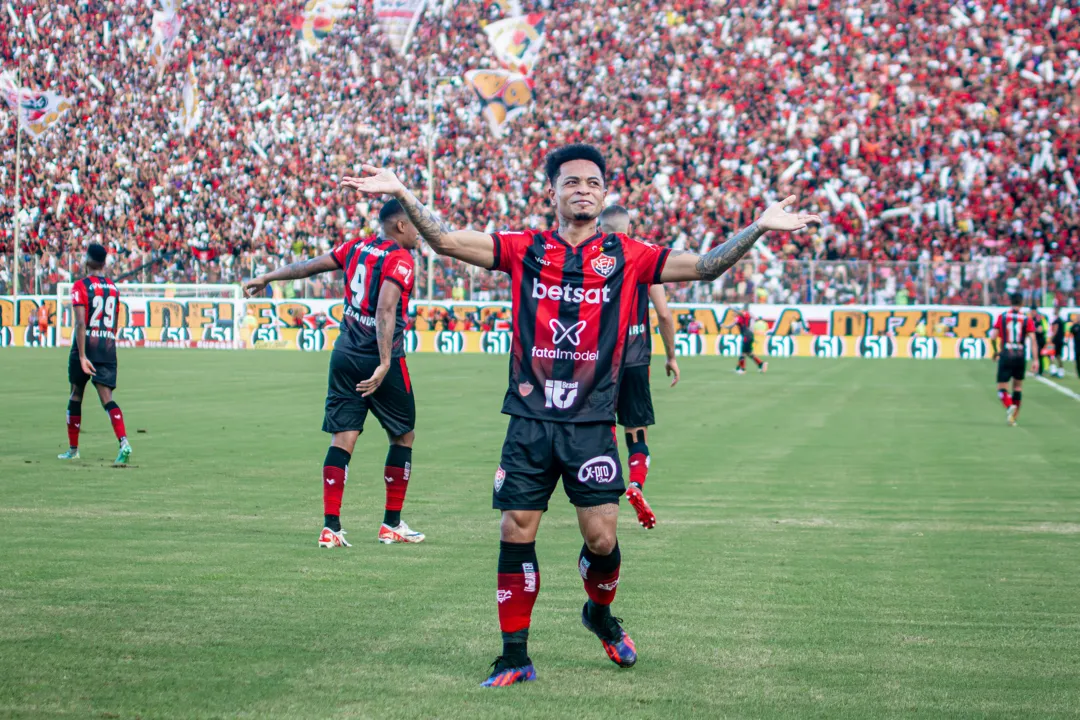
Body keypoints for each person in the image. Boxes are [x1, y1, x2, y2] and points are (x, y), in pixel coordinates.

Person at [340, 143, 821, 687]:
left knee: (602, 540)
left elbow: (706, 267)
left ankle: (598, 612)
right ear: (553, 192)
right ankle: (514, 657)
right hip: (529, 418)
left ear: (605, 192)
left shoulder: (629, 254)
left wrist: (758, 225)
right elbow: (448, 241)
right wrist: (403, 191)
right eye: (571, 182)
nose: (583, 190)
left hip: (592, 422)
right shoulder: (525, 248)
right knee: (516, 528)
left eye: (592, 182)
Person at [244, 200, 426, 547]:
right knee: (403, 436)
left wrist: (268, 276)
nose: (420, 232)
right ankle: (391, 523)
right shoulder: (400, 258)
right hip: (379, 358)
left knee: (342, 438)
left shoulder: (355, 246)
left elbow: (309, 267)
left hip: (344, 353)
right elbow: (387, 308)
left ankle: (331, 527)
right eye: (415, 224)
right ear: (401, 226)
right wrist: (385, 362)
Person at [597, 204, 679, 531]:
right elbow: (664, 315)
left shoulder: (586, 258)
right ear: (628, 229)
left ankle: (604, 484)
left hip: (598, 360)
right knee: (636, 430)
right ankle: (636, 484)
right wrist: (671, 356)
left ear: (600, 230)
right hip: (636, 358)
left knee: (601, 426)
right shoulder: (645, 257)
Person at [58, 243, 132, 465]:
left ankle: (73, 449)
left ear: (88, 260)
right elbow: (116, 323)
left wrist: (82, 356)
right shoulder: (113, 288)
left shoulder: (81, 286)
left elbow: (80, 323)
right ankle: (124, 442)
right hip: (107, 346)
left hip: (85, 345)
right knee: (107, 399)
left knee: (76, 394)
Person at [990, 293, 1039, 426]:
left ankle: (1009, 405)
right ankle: (1013, 417)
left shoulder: (1003, 317)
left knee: (1002, 387)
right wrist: (1035, 360)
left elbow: (993, 336)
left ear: (1010, 302)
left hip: (1006, 354)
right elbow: (1033, 340)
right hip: (1020, 355)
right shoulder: (1027, 319)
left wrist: (996, 351)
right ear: (1022, 303)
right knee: (1017, 387)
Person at [723, 303, 767, 374]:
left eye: (734, 312)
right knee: (749, 353)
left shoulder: (743, 315)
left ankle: (742, 369)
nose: (733, 313)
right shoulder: (747, 316)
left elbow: (733, 324)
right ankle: (760, 364)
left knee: (743, 353)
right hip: (749, 335)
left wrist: (730, 307)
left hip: (747, 335)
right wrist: (725, 326)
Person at [1029, 305, 1048, 376]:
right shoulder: (1033, 319)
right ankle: (1036, 369)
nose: (1032, 312)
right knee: (1035, 355)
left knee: (1039, 355)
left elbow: (1040, 330)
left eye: (1033, 311)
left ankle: (1040, 371)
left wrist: (1032, 330)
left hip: (1040, 340)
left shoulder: (1038, 318)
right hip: (1035, 340)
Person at [1049, 309, 1067, 379]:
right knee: (1058, 355)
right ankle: (1060, 371)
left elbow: (1055, 331)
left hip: (1056, 341)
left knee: (1053, 355)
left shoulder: (1057, 321)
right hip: (1060, 340)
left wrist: (1051, 339)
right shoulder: (1061, 320)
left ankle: (1055, 370)